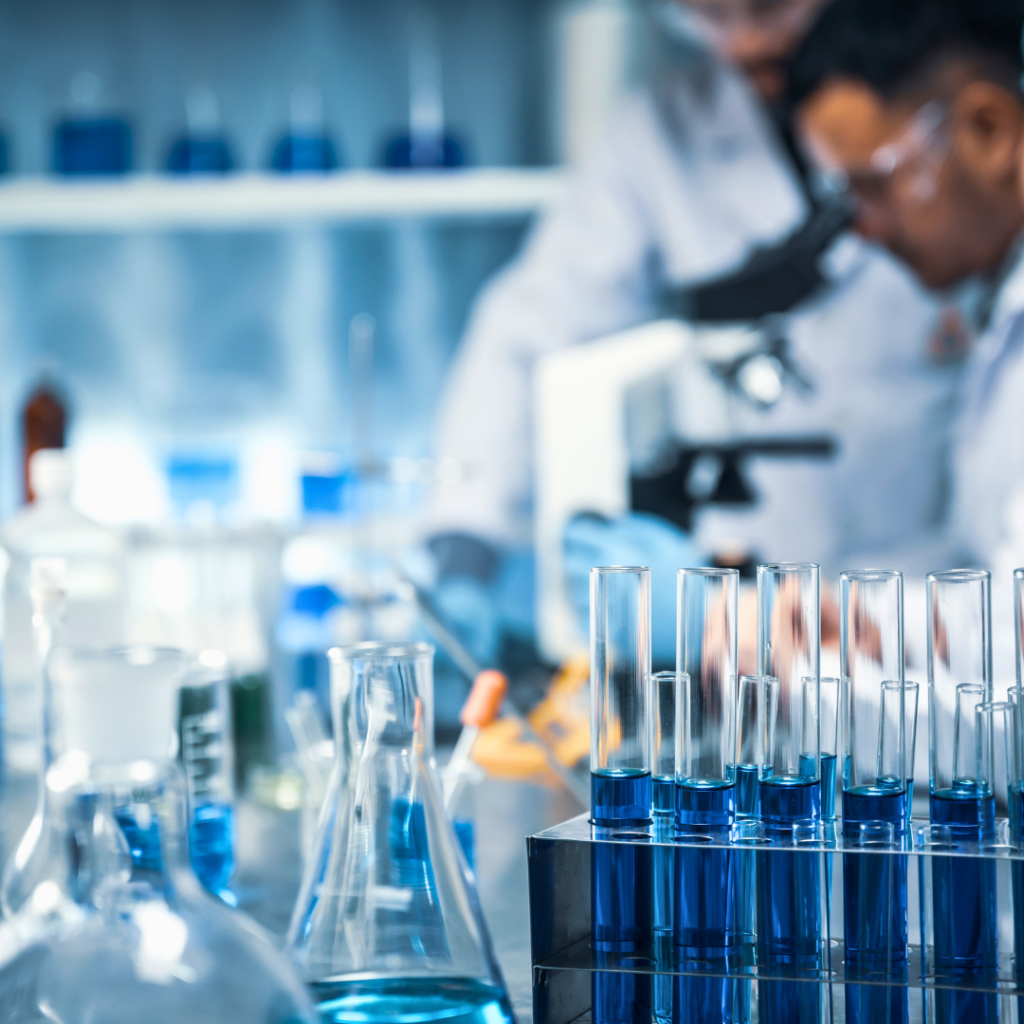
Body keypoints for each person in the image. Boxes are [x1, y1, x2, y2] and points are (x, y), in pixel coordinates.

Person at [425, 0, 961, 667]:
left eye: (768, 5)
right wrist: (465, 551)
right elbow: (533, 327)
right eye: (709, 12)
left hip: (936, 596)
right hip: (749, 605)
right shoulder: (659, 133)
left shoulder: (945, 109)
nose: (744, 39)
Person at [789, 0, 1024, 679]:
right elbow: (989, 571)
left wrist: (807, 635)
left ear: (988, 131)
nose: (863, 228)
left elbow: (1011, 643)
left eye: (874, 185)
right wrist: (823, 605)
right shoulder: (998, 301)